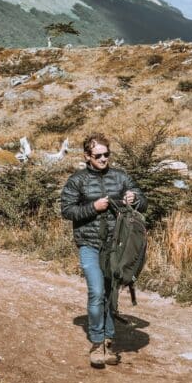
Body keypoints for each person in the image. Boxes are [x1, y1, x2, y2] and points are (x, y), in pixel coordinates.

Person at [60, 133, 146, 368]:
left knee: (110, 293)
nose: (104, 159)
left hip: (115, 247)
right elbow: (66, 210)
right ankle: (97, 342)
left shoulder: (120, 177)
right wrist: (93, 207)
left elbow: (143, 201)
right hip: (88, 244)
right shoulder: (77, 180)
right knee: (96, 292)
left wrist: (134, 197)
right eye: (98, 155)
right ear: (87, 156)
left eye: (107, 154)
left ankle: (109, 339)